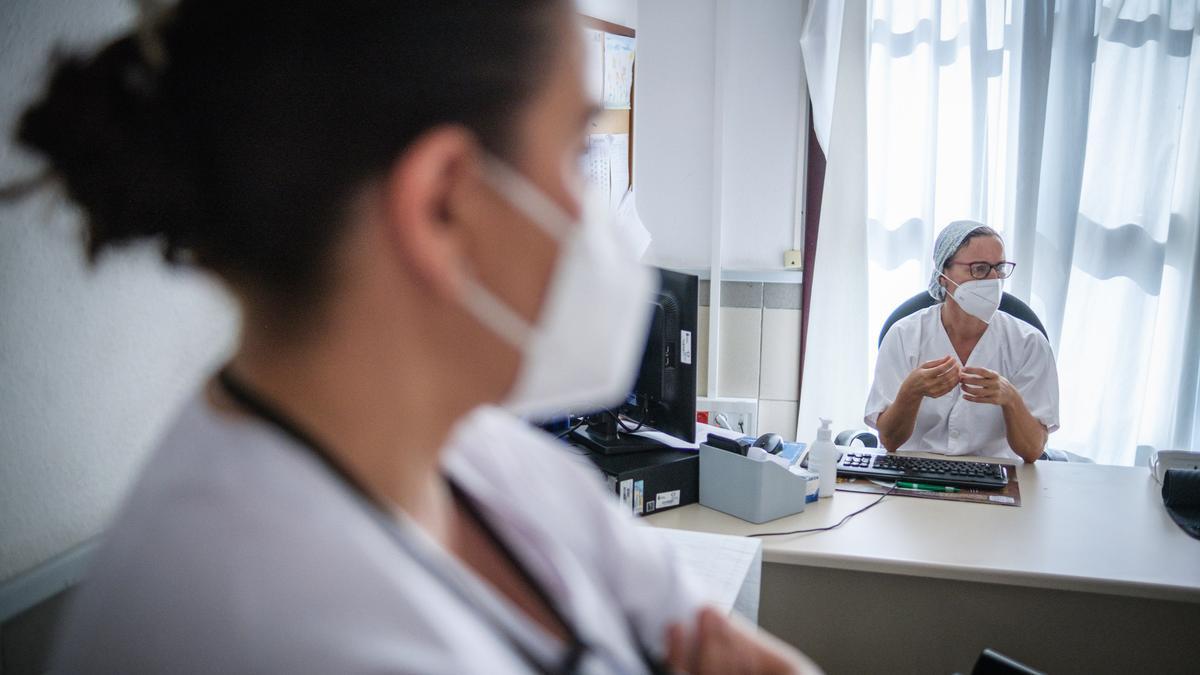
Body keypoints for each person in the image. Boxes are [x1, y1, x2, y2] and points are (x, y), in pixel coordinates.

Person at [10, 1, 820, 673]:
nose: (603, 218)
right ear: (442, 207)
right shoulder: (255, 628)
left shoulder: (484, 457)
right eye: (577, 155)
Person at [864, 221, 1059, 462]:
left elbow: (1032, 451)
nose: (993, 279)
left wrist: (1010, 399)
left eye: (999, 268)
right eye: (979, 269)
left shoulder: (1029, 343)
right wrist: (910, 392)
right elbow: (890, 441)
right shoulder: (904, 335)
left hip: (999, 478)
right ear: (943, 275)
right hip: (915, 472)